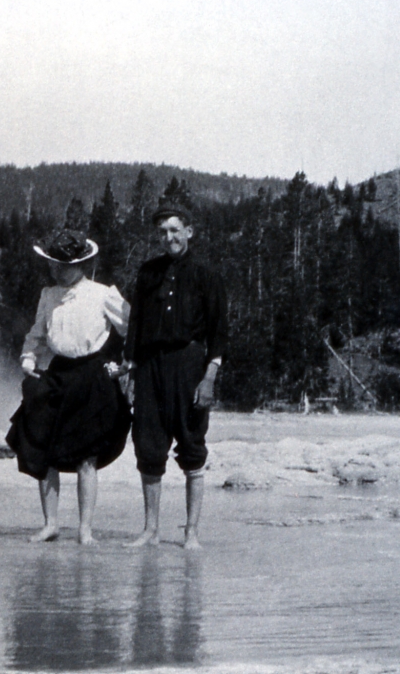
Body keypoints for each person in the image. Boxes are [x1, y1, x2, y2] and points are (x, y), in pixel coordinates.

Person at [6, 229, 131, 545]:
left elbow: (133, 327)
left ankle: (85, 529)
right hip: (58, 371)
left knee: (86, 456)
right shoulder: (48, 294)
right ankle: (50, 524)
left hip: (92, 374)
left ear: (81, 264)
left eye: (62, 264)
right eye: (52, 263)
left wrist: (125, 363)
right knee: (41, 447)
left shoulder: (103, 294)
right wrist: (28, 358)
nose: (55, 269)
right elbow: (37, 332)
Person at [122, 202, 228, 550]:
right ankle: (151, 530)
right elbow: (135, 324)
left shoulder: (206, 275)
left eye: (174, 230)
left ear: (189, 231)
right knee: (148, 444)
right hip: (150, 366)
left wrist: (209, 377)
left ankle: (191, 532)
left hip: (189, 364)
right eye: (163, 232)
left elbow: (218, 332)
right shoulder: (148, 273)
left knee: (192, 443)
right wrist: (130, 369)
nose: (169, 238)